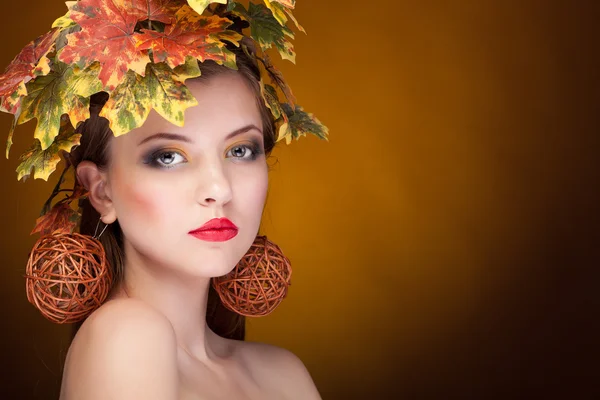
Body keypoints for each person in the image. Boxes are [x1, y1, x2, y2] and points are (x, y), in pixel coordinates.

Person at [0, 1, 327, 398]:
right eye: (168, 157)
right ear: (101, 191)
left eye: (240, 151)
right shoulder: (127, 336)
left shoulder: (283, 373)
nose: (219, 190)